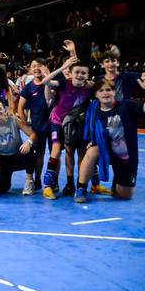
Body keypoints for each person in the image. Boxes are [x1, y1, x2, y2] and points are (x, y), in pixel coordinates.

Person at [75, 79, 144, 202]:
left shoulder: (126, 106)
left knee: (125, 195)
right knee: (91, 151)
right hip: (105, 150)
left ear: (114, 92)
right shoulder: (94, 110)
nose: (105, 93)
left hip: (124, 155)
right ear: (96, 95)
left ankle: (117, 180)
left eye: (108, 90)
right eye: (101, 90)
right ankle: (81, 188)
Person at [41, 56, 93, 199]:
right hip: (58, 122)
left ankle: (78, 184)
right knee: (56, 151)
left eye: (83, 73)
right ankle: (48, 187)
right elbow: (45, 81)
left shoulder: (89, 88)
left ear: (88, 75)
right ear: (71, 73)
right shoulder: (64, 83)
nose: (80, 75)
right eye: (77, 72)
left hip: (75, 124)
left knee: (78, 152)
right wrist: (64, 66)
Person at [0, 101, 38, 194]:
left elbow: (33, 135)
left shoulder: (14, 120)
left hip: (17, 156)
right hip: (2, 159)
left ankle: (30, 181)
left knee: (29, 150)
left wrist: (28, 142)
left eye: (0, 108)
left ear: (5, 110)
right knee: (0, 189)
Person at [17, 58, 52, 191]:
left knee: (55, 153)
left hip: (54, 125)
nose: (37, 68)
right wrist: (26, 126)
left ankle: (54, 181)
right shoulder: (29, 87)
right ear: (30, 69)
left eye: (40, 65)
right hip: (38, 127)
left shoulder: (53, 82)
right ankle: (37, 180)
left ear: (45, 67)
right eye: (34, 66)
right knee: (40, 153)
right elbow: (20, 107)